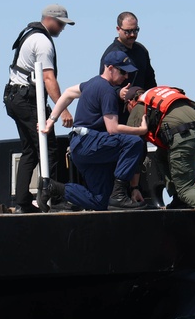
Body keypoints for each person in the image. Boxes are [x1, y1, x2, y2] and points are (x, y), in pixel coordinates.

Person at [37, 51, 147, 211]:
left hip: (80, 147)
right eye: (123, 72)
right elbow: (113, 128)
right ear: (110, 68)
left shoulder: (91, 83)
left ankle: (54, 188)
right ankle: (119, 195)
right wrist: (141, 130)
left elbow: (68, 93)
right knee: (135, 143)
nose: (126, 77)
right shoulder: (107, 91)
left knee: (100, 201)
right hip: (89, 143)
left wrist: (50, 120)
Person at [3, 4, 75, 213]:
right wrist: (63, 109)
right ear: (50, 20)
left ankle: (23, 202)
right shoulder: (43, 41)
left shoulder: (30, 35)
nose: (62, 28)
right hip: (27, 99)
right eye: (61, 24)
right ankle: (52, 199)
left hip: (15, 97)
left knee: (30, 151)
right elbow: (48, 77)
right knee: (49, 148)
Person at [123, 85, 195, 212]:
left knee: (185, 189)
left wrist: (133, 187)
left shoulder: (139, 106)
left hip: (184, 138)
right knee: (161, 155)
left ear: (130, 102)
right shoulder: (164, 94)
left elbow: (133, 150)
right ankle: (178, 199)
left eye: (127, 108)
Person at [99, 12, 157, 93]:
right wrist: (119, 92)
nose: (132, 34)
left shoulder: (141, 50)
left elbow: (150, 78)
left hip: (141, 102)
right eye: (128, 31)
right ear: (118, 29)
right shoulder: (111, 54)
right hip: (118, 103)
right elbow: (103, 84)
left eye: (135, 30)